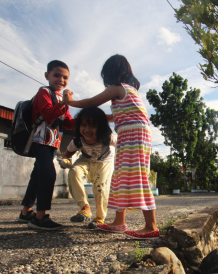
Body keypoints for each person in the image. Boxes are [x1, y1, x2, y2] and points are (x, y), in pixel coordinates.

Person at [63, 54, 159, 239]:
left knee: (136, 175)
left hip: (134, 135)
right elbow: (113, 117)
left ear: (110, 73)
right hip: (130, 134)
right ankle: (119, 221)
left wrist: (70, 102)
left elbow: (92, 103)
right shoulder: (128, 93)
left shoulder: (118, 88)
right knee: (120, 176)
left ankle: (151, 226)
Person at [17, 60, 75, 230]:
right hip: (39, 141)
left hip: (52, 143)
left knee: (37, 176)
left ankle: (25, 212)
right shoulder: (44, 92)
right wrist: (64, 103)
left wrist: (87, 120)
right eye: (57, 75)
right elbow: (49, 115)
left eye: (65, 77)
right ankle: (39, 217)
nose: (61, 80)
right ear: (47, 76)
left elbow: (68, 123)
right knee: (49, 174)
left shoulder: (61, 98)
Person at [58, 107, 117, 228]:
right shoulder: (77, 140)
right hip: (85, 160)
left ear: (101, 127)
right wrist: (65, 161)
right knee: (74, 171)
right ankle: (85, 208)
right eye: (83, 125)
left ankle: (100, 217)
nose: (87, 130)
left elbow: (123, 145)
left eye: (93, 126)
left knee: (100, 186)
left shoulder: (108, 137)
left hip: (104, 162)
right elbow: (67, 154)